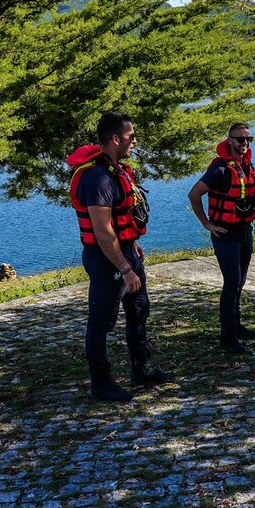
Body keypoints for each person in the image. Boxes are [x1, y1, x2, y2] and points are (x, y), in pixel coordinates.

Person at [68, 112, 171, 402]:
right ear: (115, 139)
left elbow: (120, 219)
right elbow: (102, 232)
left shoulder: (117, 170)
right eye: (130, 136)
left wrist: (132, 243)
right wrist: (125, 268)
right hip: (106, 259)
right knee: (101, 321)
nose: (135, 141)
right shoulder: (97, 178)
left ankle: (142, 368)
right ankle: (101, 383)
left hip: (126, 251)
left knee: (139, 310)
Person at [187, 123, 255, 353]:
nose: (245, 143)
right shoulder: (220, 169)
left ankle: (236, 326)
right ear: (229, 141)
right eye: (240, 139)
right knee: (231, 283)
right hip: (225, 234)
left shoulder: (247, 166)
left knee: (240, 282)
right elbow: (194, 194)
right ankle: (227, 337)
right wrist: (207, 224)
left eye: (248, 139)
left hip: (244, 231)